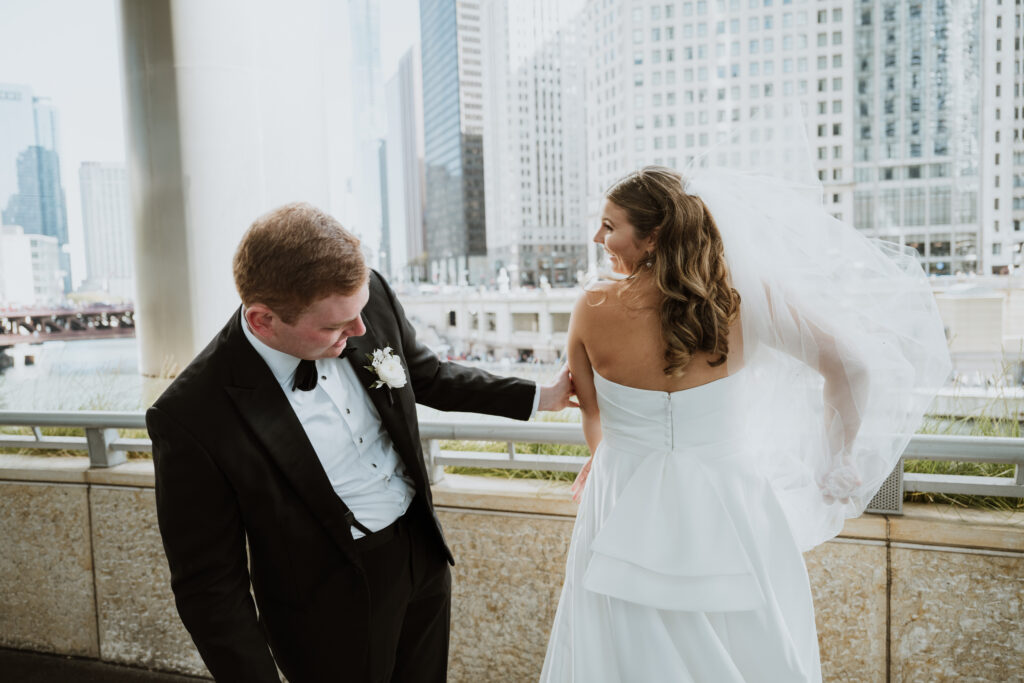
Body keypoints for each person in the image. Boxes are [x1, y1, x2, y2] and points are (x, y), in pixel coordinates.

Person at [540, 166, 950, 682]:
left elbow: (593, 412)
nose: (597, 238)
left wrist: (603, 455)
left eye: (609, 225)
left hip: (620, 499)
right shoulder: (740, 303)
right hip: (731, 501)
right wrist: (838, 455)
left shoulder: (592, 308)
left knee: (621, 651)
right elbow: (854, 368)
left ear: (654, 236)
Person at [147, 203, 575, 683]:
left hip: (420, 552)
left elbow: (427, 375)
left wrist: (542, 396)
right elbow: (209, 587)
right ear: (264, 320)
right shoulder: (190, 416)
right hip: (327, 604)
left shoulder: (360, 300)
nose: (359, 332)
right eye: (334, 327)